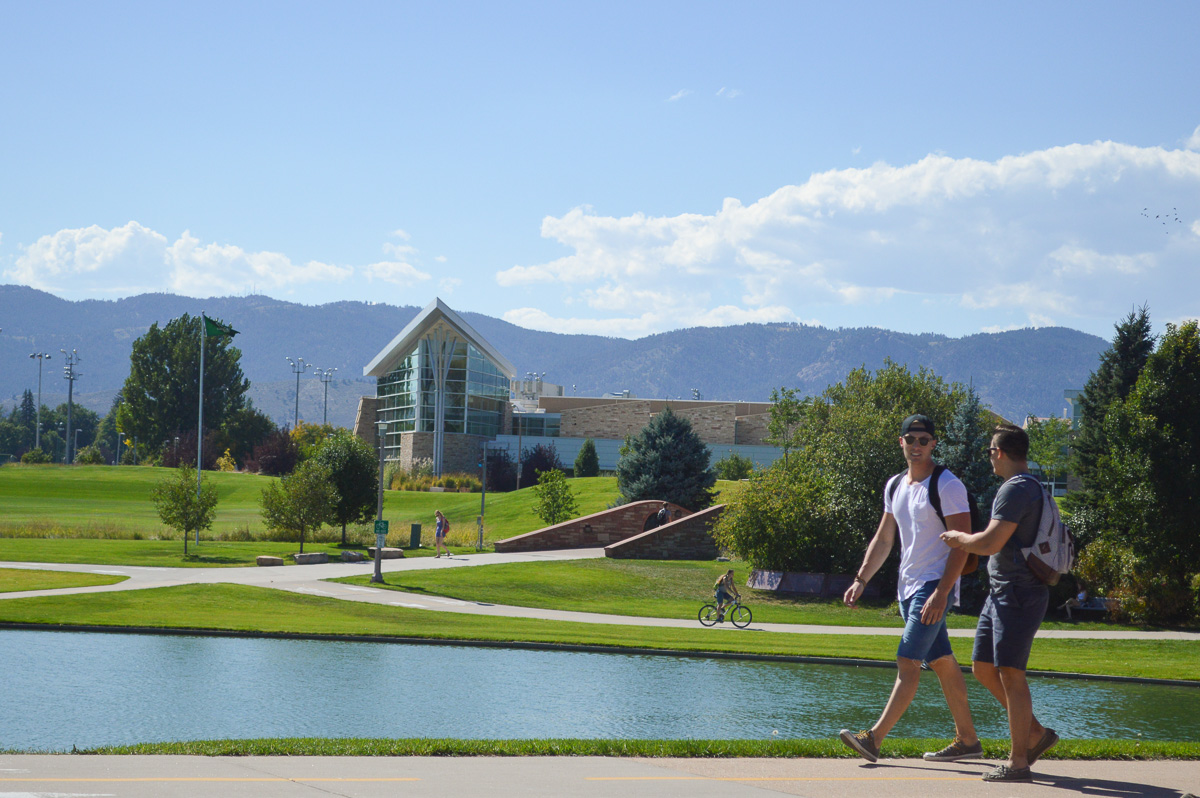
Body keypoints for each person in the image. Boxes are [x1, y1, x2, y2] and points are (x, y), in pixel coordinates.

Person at [839, 414, 981, 764]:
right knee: (943, 662)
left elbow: (961, 545)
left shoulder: (947, 485)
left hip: (934, 585)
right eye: (910, 439)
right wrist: (861, 579)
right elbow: (885, 538)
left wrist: (943, 591)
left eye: (923, 440)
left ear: (934, 444)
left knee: (908, 658)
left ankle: (873, 738)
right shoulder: (895, 485)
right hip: (908, 586)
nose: (916, 446)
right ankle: (968, 740)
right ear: (899, 441)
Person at [941, 423, 1057, 783]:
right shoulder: (1023, 487)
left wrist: (960, 538)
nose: (990, 457)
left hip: (1019, 593)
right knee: (983, 668)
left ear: (1001, 453)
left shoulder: (1017, 490)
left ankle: (1018, 761)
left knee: (1011, 673)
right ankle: (1036, 734)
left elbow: (990, 542)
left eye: (991, 451)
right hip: (1002, 592)